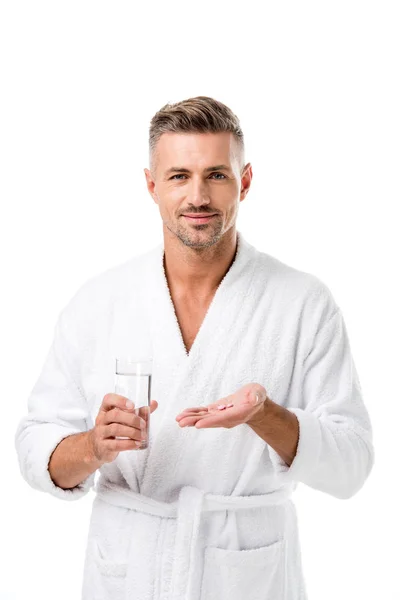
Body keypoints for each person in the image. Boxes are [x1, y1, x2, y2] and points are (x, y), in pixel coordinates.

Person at [15, 95, 374, 600]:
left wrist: (263, 415)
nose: (198, 196)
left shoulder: (302, 302)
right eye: (179, 175)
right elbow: (36, 449)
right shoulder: (99, 302)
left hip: (248, 573)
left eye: (217, 175)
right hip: (128, 570)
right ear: (151, 185)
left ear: (245, 181)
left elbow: (353, 466)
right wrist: (94, 446)